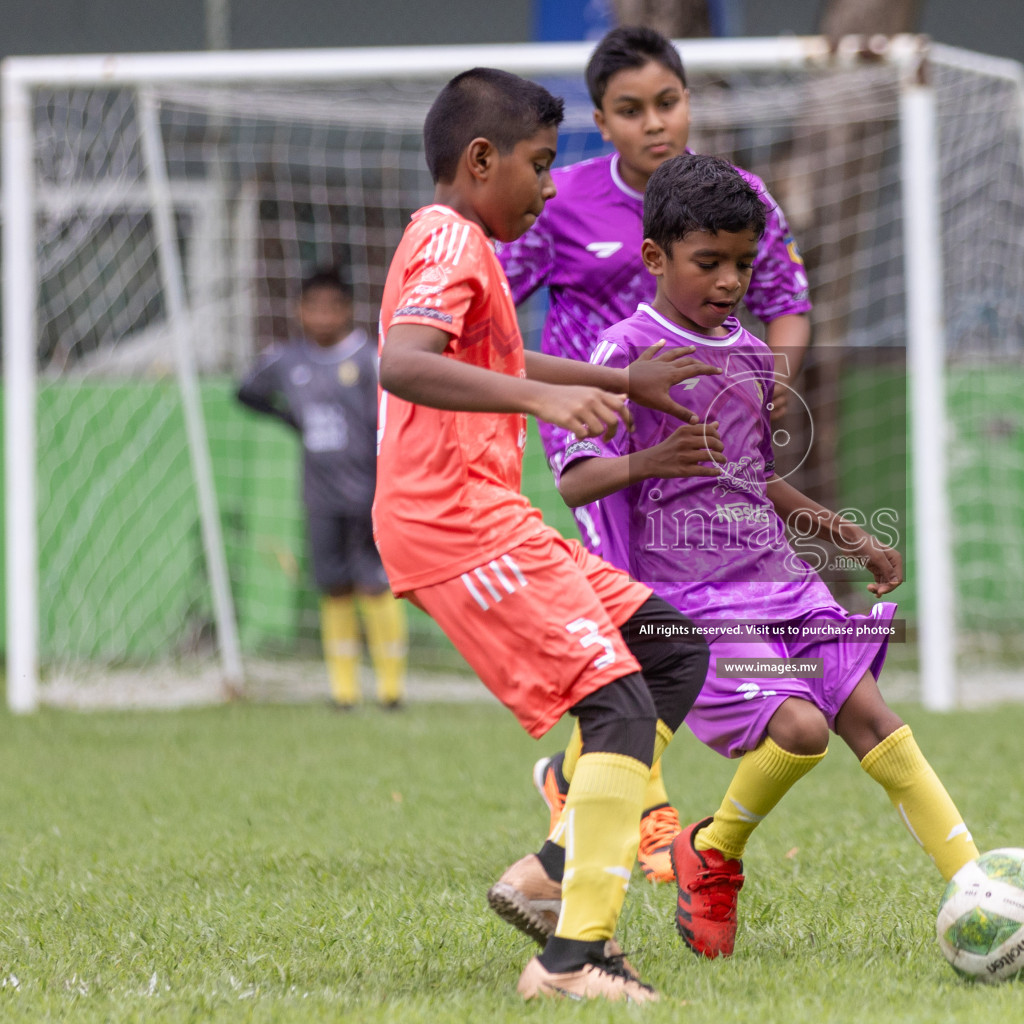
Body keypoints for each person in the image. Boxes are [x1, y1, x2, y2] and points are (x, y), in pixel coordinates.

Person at [552, 154, 980, 959]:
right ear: (655, 258)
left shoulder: (751, 355)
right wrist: (648, 461)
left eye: (742, 264)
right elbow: (575, 483)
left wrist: (845, 534)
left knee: (871, 717)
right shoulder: (620, 355)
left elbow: (754, 481)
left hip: (784, 583)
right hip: (693, 609)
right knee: (798, 726)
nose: (728, 281)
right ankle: (710, 852)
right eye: (707, 262)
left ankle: (980, 886)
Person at [372, 67, 717, 1002]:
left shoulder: (460, 243)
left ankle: (549, 873)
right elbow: (404, 363)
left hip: (491, 518)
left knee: (671, 651)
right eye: (538, 164)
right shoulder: (448, 240)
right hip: (458, 528)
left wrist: (617, 383)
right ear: (480, 160)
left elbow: (499, 353)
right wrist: (542, 398)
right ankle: (573, 961)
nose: (552, 185)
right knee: (616, 708)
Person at [498, 25, 814, 883]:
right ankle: (649, 814)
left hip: (705, 448)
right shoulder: (556, 203)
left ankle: (572, 779)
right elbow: (489, 314)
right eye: (630, 110)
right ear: (600, 121)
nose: (654, 123)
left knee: (659, 626)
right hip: (602, 433)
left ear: (688, 101)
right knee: (641, 619)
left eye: (667, 102)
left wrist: (764, 390)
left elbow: (787, 300)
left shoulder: (740, 195)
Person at [236, 268, 408, 710]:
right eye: (313, 307)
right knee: (334, 586)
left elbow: (394, 414)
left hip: (369, 494)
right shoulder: (286, 360)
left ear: (347, 310)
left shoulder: (369, 359)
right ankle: (343, 691)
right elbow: (245, 393)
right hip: (321, 495)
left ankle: (391, 689)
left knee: (375, 584)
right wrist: (286, 419)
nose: (322, 316)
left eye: (332, 307)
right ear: (299, 310)